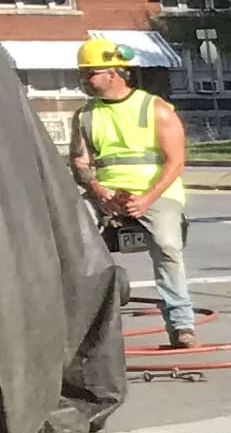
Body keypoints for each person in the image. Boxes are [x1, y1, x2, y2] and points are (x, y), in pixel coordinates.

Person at [69, 41, 192, 348]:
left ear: (114, 73)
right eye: (83, 73)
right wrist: (98, 192)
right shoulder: (85, 115)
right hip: (106, 194)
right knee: (72, 237)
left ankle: (181, 324)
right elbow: (79, 162)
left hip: (156, 193)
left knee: (167, 246)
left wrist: (147, 199)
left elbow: (175, 161)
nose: (85, 80)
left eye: (92, 73)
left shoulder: (155, 108)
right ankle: (87, 322)